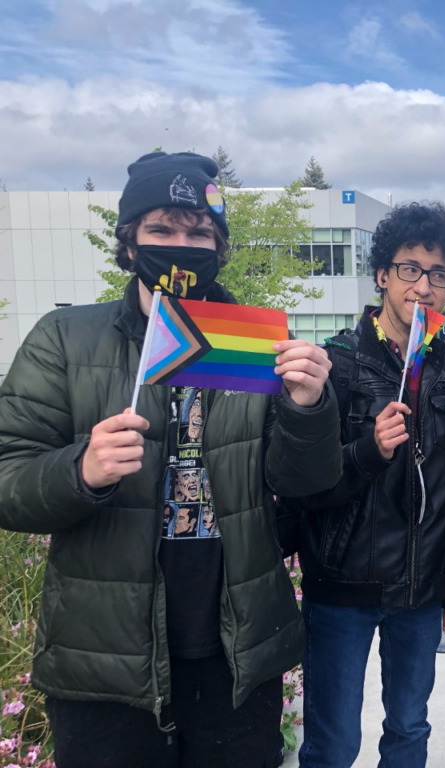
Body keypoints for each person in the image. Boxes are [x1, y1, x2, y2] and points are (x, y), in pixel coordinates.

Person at [0, 151, 342, 768]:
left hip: (237, 655)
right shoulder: (64, 339)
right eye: (161, 230)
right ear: (129, 242)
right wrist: (80, 471)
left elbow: (305, 483)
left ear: (220, 246)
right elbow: (7, 478)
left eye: (198, 232)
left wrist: (309, 408)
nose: (181, 246)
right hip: (105, 661)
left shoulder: (255, 345)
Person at [294, 202, 445, 768]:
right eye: (410, 269)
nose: (423, 286)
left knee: (408, 731)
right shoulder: (337, 365)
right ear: (381, 275)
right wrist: (369, 451)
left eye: (439, 274)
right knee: (332, 744)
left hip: (421, 594)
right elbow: (305, 487)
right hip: (342, 589)